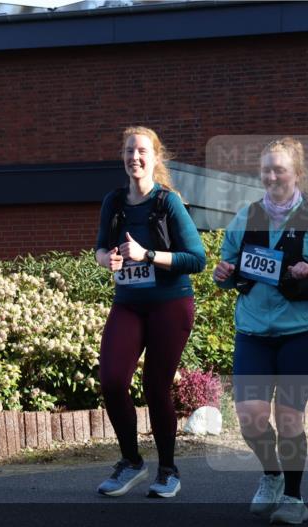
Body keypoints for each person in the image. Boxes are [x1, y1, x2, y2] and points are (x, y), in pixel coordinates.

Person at [213, 137, 308, 525]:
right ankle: (272, 476)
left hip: (304, 330)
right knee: (250, 418)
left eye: (280, 169)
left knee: (288, 416)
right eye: (267, 169)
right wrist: (222, 274)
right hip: (255, 330)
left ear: (297, 174)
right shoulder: (245, 218)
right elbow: (228, 270)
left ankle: (294, 498)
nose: (272, 175)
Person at [94, 126, 206, 498]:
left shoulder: (167, 202)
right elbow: (99, 249)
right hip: (128, 303)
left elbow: (197, 259)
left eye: (142, 151)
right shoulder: (114, 202)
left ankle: (168, 471)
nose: (134, 158)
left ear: (155, 158)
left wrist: (148, 255)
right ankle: (131, 462)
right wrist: (105, 259)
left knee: (155, 388)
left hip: (170, 304)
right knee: (111, 381)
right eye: (129, 151)